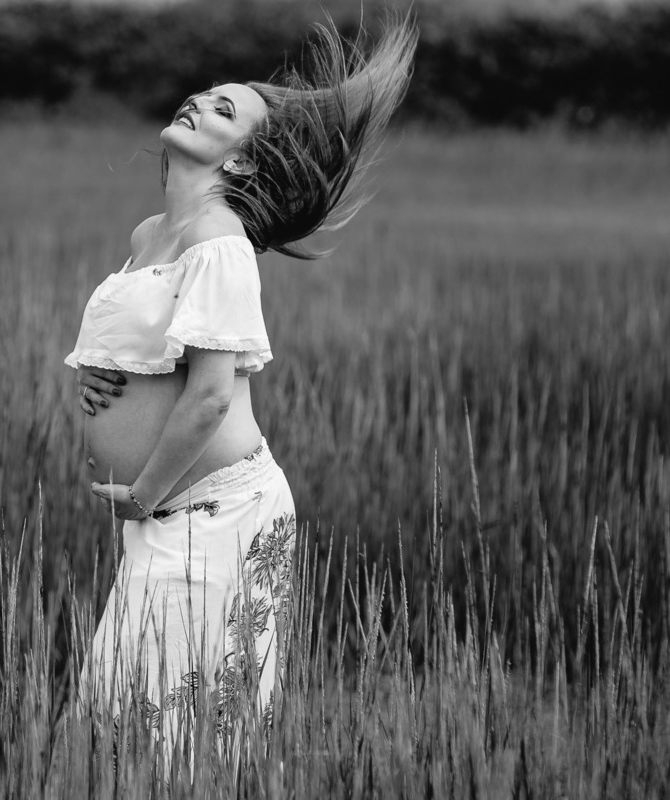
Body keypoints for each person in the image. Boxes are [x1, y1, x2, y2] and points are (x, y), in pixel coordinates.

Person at [63, 18, 417, 764]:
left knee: (169, 733)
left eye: (224, 111)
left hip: (215, 514)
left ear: (244, 162)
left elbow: (211, 397)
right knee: (121, 718)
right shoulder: (151, 233)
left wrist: (143, 496)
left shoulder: (219, 240)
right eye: (204, 96)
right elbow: (150, 345)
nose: (199, 103)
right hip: (168, 511)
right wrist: (98, 370)